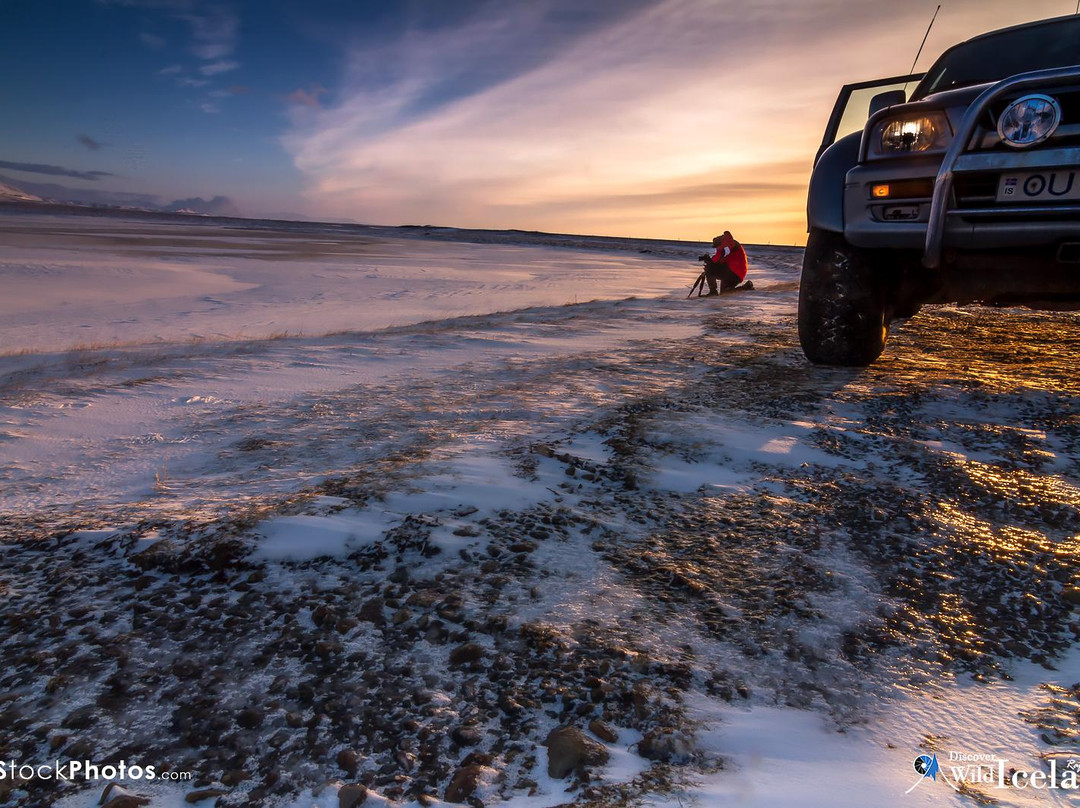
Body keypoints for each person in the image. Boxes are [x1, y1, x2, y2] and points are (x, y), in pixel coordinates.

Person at [697, 231, 749, 296]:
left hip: (735, 273)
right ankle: (746, 287)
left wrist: (711, 262)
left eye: (716, 246)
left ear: (719, 244)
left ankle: (713, 292)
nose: (716, 248)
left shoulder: (729, 243)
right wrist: (710, 260)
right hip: (734, 272)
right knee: (724, 292)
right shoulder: (724, 246)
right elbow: (719, 260)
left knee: (709, 268)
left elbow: (726, 251)